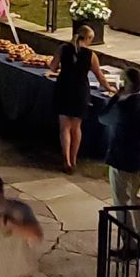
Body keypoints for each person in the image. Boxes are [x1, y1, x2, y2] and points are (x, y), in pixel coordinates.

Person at [101, 67, 140, 252]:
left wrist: (115, 97)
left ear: (126, 84)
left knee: (121, 202)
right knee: (136, 199)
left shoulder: (123, 106)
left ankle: (128, 243)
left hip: (121, 158)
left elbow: (103, 118)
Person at [48, 26, 102, 174]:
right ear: (88, 38)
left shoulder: (63, 49)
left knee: (64, 127)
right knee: (76, 127)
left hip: (64, 88)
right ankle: (74, 159)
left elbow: (52, 67)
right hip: (80, 91)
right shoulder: (91, 55)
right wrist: (109, 87)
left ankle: (66, 160)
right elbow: (99, 75)